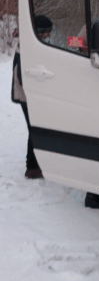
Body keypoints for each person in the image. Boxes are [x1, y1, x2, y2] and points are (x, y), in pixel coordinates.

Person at [11, 20, 47, 179]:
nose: (49, 36)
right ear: (40, 32)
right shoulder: (26, 48)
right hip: (26, 96)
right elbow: (23, 75)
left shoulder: (29, 45)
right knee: (35, 130)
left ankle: (35, 165)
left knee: (35, 129)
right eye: (47, 33)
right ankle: (32, 168)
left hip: (27, 95)